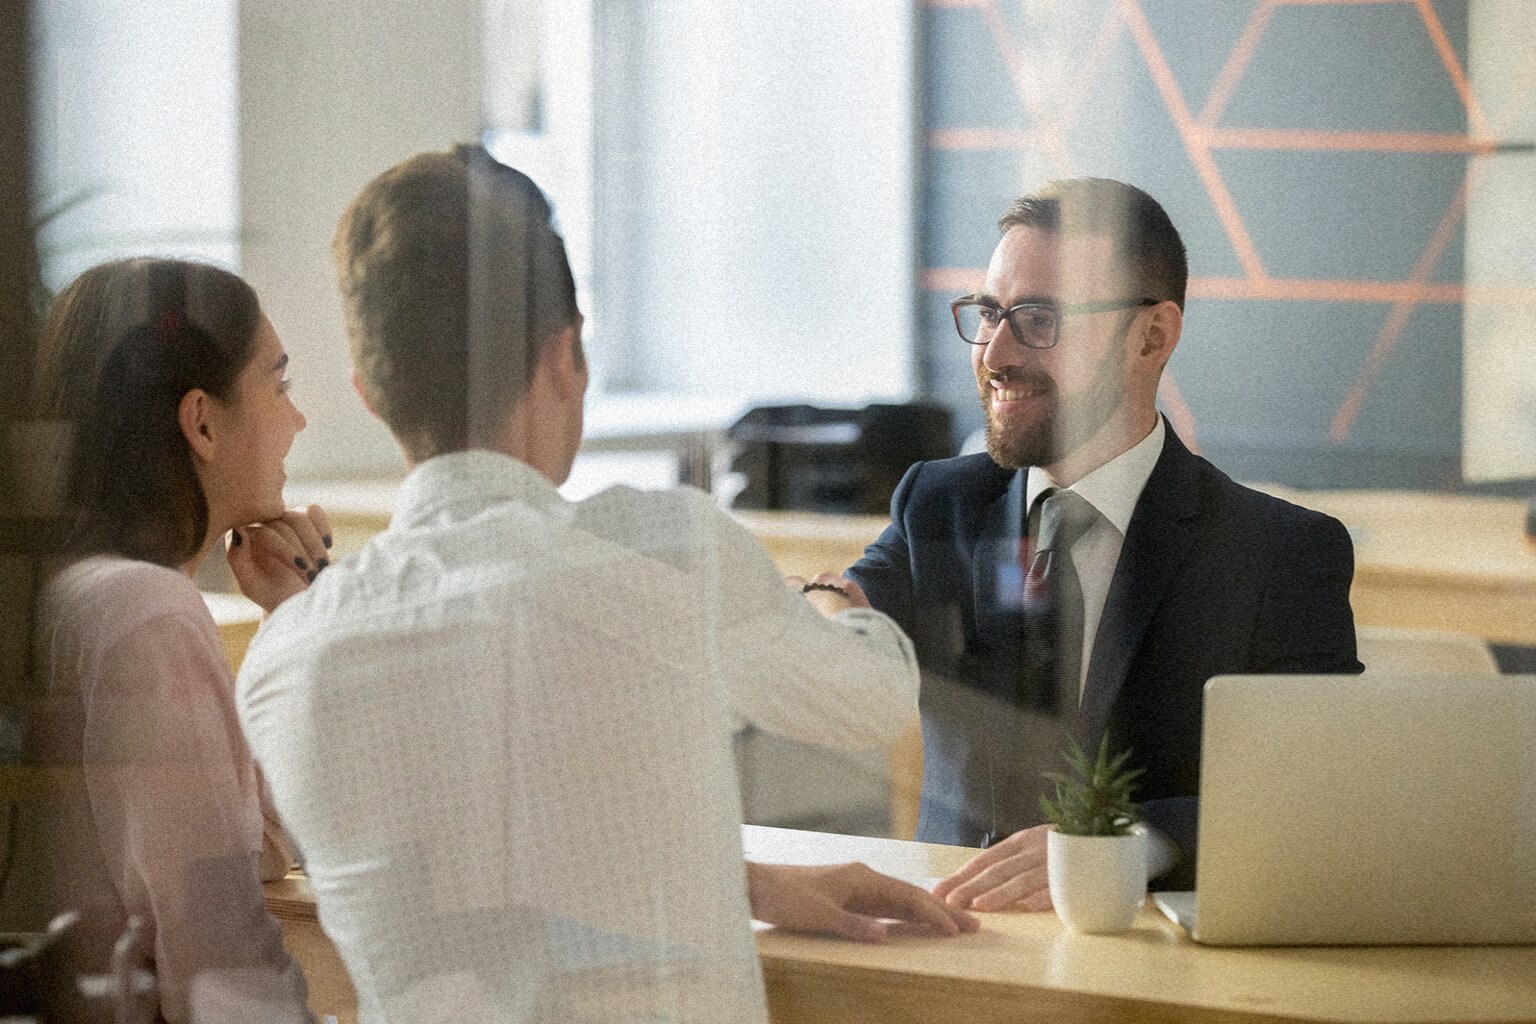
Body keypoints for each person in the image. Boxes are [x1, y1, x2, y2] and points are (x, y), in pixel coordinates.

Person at [235, 145, 975, 1024]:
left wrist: (749, 881)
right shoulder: (664, 551)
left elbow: (479, 891)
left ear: (369, 393)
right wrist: (834, 610)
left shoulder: (284, 659)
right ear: (566, 355)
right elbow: (874, 704)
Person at [845, 178, 1362, 909]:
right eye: (989, 313)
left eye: (1039, 319)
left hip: (1158, 968)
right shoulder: (939, 503)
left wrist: (1127, 840)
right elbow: (857, 606)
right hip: (956, 946)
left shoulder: (1280, 553)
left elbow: (1321, 788)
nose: (994, 352)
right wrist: (823, 607)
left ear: (1151, 336)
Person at [4, 258, 326, 1022]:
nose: (298, 420)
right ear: (203, 422)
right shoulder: (149, 612)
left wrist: (290, 619)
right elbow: (217, 953)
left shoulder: (78, 588)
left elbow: (254, 850)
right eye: (279, 386)